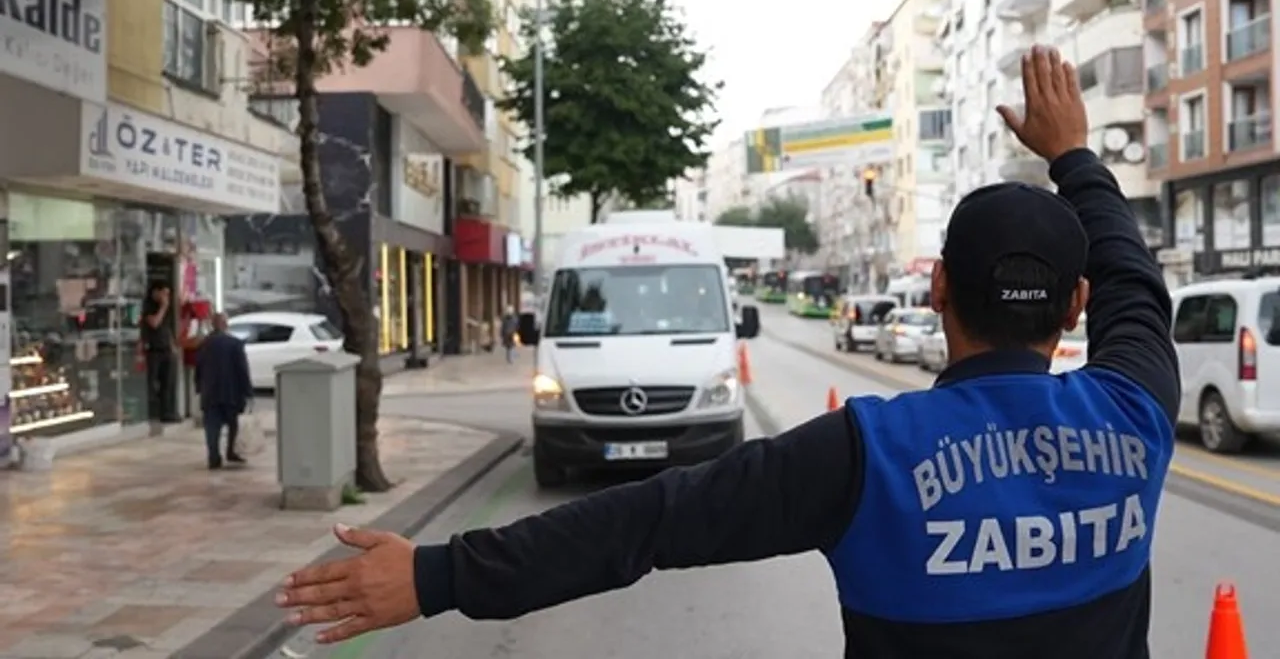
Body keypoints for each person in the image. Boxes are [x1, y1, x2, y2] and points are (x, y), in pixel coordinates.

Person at [275, 47, 1179, 657]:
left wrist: (436, 575)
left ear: (937, 288)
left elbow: (646, 523)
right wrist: (1075, 156)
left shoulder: (869, 454)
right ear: (1077, 305)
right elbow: (1137, 281)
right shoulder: (1134, 413)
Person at [194, 313, 253, 470]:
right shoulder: (235, 344)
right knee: (233, 424)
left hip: (210, 392)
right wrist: (248, 391)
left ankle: (213, 457)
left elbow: (198, 368)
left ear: (212, 325)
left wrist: (199, 387)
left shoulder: (204, 344)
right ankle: (231, 451)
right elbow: (242, 370)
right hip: (231, 392)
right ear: (226, 325)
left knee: (212, 427)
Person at [141, 281, 178, 424]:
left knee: (168, 382)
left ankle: (168, 412)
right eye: (163, 294)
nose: (166, 298)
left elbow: (166, 328)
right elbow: (154, 323)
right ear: (156, 292)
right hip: (153, 350)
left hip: (166, 349)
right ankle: (152, 412)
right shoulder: (149, 307)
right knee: (152, 382)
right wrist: (163, 307)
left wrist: (172, 344)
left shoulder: (166, 310)